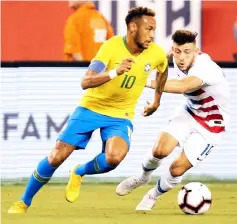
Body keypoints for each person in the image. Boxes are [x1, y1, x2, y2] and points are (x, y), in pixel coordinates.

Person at [8, 6, 168, 213]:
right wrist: (114, 73)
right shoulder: (111, 47)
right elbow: (86, 81)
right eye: (148, 29)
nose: (152, 35)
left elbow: (162, 71)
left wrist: (156, 101)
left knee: (114, 158)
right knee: (56, 156)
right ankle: (24, 202)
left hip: (120, 115)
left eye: (154, 30)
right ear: (132, 27)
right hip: (91, 108)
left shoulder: (156, 53)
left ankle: (80, 172)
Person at [116, 30, 231, 211]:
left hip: (212, 125)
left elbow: (182, 86)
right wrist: (155, 103)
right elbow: (154, 66)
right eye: (178, 52)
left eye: (187, 51)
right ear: (173, 50)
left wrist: (140, 80)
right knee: (159, 150)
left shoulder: (206, 67)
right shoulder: (173, 57)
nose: (182, 57)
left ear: (196, 51)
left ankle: (153, 195)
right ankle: (142, 177)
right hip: (190, 111)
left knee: (177, 169)